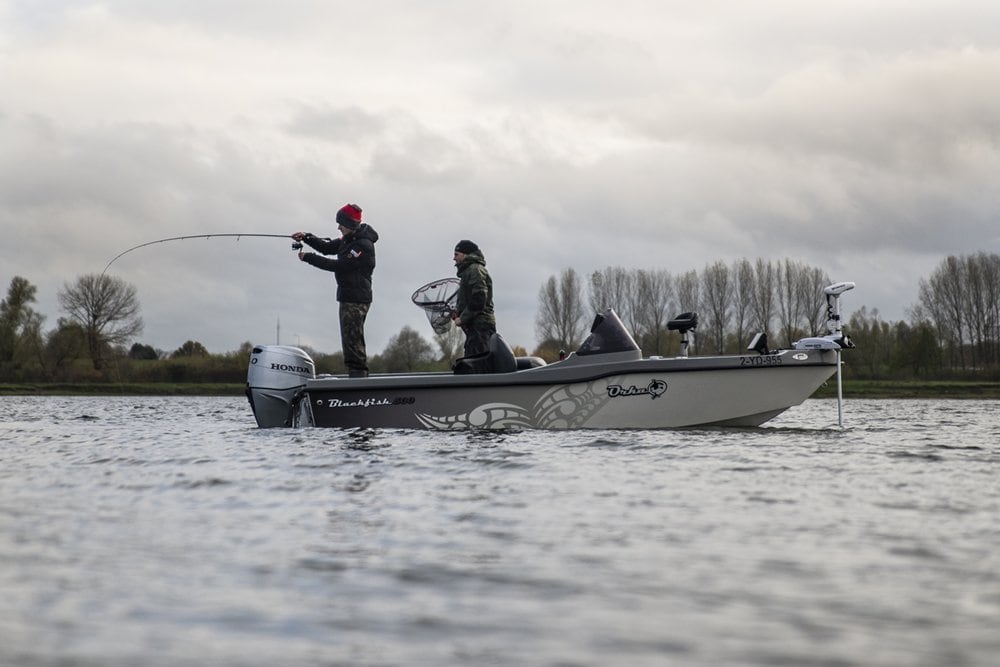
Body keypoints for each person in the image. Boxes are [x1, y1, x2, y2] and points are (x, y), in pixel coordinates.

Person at [292, 204, 378, 378]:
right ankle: (356, 376)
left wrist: (308, 258)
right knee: (349, 340)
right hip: (348, 297)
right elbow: (327, 248)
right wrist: (307, 237)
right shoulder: (349, 240)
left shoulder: (362, 246)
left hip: (356, 300)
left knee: (353, 341)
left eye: (341, 224)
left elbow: (339, 265)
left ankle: (358, 378)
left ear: (350, 224)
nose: (338, 227)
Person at [452, 239, 496, 357]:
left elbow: (479, 300)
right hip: (476, 328)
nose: (454, 258)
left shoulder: (475, 270)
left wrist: (462, 318)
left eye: (456, 254)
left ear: (466, 254)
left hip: (481, 328)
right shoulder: (469, 272)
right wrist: (459, 313)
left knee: (478, 364)